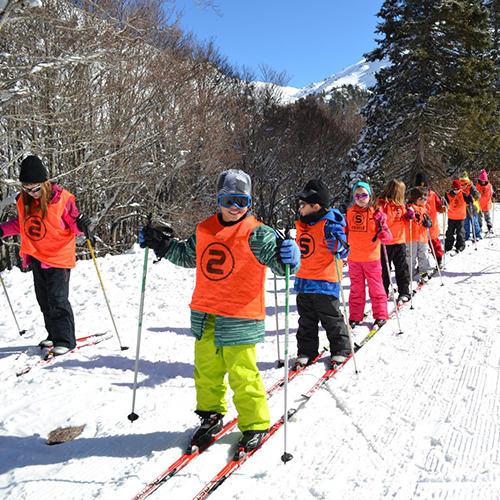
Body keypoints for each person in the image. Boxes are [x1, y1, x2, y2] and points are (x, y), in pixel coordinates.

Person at [139, 169, 300, 456]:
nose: (235, 207)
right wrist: (161, 244)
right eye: (228, 200)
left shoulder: (257, 233)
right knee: (206, 372)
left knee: (242, 374)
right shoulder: (204, 229)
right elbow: (188, 256)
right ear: (219, 200)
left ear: (249, 202)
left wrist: (290, 256)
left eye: (241, 200)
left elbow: (280, 266)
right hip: (206, 312)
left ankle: (255, 423)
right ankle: (211, 415)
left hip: (240, 315)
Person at [0, 156, 93, 355]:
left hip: (59, 259)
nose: (31, 193)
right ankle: (53, 335)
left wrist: (83, 224)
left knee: (58, 301)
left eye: (34, 189)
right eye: (26, 189)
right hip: (37, 257)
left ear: (44, 183)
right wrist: (1, 231)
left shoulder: (62, 199)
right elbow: (20, 224)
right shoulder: (25, 201)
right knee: (45, 301)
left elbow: (74, 225)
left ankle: (65, 340)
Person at [293, 179, 351, 370]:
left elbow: (344, 251)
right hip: (304, 281)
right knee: (306, 322)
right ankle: (307, 351)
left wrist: (339, 246)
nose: (299, 208)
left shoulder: (330, 224)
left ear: (315, 206)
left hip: (325, 282)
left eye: (302, 204)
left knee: (332, 319)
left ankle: (341, 349)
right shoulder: (302, 223)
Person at [346, 181, 392, 331]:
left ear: (370, 195)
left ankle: (380, 315)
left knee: (376, 288)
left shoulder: (376, 212)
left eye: (364, 195)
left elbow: (388, 237)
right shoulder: (350, 212)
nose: (360, 198)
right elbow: (345, 231)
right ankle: (355, 316)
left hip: (371, 258)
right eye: (357, 195)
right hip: (354, 258)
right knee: (356, 289)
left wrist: (384, 233)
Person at [378, 179, 412, 303]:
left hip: (400, 241)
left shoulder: (401, 205)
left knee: (402, 268)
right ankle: (383, 292)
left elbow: (404, 221)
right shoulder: (383, 205)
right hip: (386, 243)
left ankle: (404, 291)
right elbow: (385, 222)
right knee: (385, 270)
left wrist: (408, 216)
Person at [415, 173, 445, 268]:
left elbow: (438, 205)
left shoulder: (432, 194)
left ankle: (439, 259)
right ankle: (422, 264)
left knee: (435, 244)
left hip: (432, 225)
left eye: (425, 188)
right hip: (420, 227)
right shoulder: (414, 196)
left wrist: (442, 208)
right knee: (420, 248)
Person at [406, 186, 434, 284]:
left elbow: (429, 220)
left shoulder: (424, 209)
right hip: (411, 237)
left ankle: (425, 270)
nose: (425, 201)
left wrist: (428, 223)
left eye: (426, 199)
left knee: (423, 254)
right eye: (423, 199)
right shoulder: (409, 208)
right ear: (417, 199)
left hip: (422, 237)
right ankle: (409, 272)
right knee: (411, 255)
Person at [444, 179, 474, 253]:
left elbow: (469, 201)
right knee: (449, 232)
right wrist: (443, 203)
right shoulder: (448, 195)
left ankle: (460, 245)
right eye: (454, 189)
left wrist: (470, 199)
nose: (456, 191)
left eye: (457, 189)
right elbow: (445, 203)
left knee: (460, 232)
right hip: (451, 216)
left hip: (460, 217)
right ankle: (448, 246)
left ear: (460, 188)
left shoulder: (463, 194)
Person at [459, 172, 482, 241]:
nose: (463, 186)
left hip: (472, 207)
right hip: (464, 208)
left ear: (468, 182)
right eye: (462, 184)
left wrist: (473, 198)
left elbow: (478, 196)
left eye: (465, 184)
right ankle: (466, 235)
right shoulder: (459, 189)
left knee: (474, 222)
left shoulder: (471, 187)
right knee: (465, 223)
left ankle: (477, 235)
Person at [476, 169, 495, 234]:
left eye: (484, 180)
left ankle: (490, 227)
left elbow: (491, 192)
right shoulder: (477, 186)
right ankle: (479, 227)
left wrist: (493, 194)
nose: (483, 182)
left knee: (487, 216)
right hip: (479, 204)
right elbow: (474, 192)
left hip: (486, 203)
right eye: (482, 180)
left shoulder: (489, 186)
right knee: (479, 217)